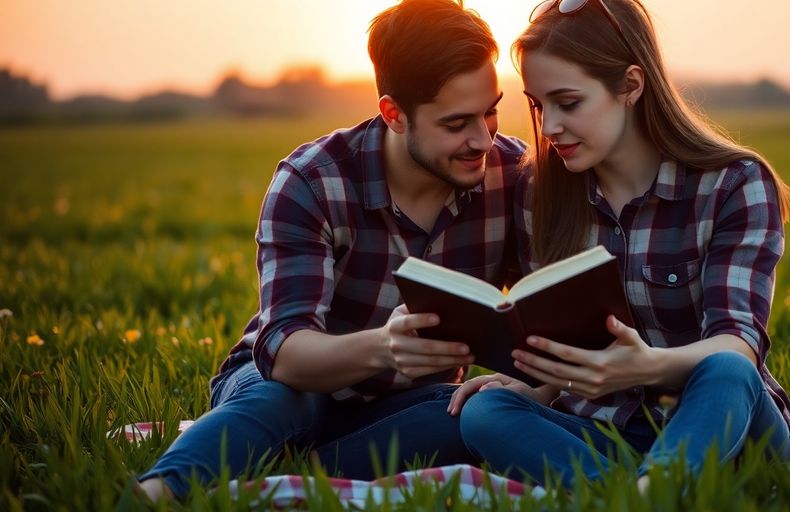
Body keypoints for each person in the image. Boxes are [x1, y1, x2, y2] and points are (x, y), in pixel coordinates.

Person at [138, 0, 525, 501]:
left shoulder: (513, 176)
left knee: (472, 414)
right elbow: (285, 351)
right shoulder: (313, 180)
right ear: (394, 114)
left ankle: (284, 472)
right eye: (456, 124)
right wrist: (385, 347)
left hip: (411, 403)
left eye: (491, 111)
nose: (482, 138)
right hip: (296, 385)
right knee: (282, 404)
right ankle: (155, 494)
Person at [450, 0, 790, 491]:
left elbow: (738, 345)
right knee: (486, 409)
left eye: (568, 103)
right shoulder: (541, 191)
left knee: (725, 369)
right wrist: (538, 386)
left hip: (727, 427)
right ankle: (645, 491)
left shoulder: (733, 184)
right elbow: (571, 342)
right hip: (604, 431)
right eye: (538, 104)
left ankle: (639, 492)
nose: (548, 127)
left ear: (631, 85)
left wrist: (645, 367)